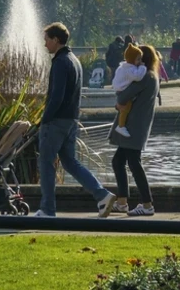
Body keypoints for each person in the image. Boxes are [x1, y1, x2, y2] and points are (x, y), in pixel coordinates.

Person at [35, 22, 115, 218]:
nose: (45, 44)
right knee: (70, 162)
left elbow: (56, 96)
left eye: (46, 40)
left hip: (56, 121)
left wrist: (44, 119)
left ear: (55, 39)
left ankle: (47, 209)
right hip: (71, 119)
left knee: (45, 162)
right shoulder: (75, 60)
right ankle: (102, 195)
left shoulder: (60, 62)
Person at [108, 44, 161, 217]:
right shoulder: (153, 76)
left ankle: (147, 204)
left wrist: (118, 102)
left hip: (133, 127)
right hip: (136, 127)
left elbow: (123, 96)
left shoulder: (145, 76)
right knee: (118, 161)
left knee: (134, 163)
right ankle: (122, 202)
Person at [111, 44, 150, 138]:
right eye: (138, 60)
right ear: (132, 59)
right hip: (123, 91)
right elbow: (137, 77)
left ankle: (121, 125)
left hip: (120, 90)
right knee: (125, 109)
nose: (140, 62)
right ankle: (121, 126)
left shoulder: (123, 67)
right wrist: (142, 67)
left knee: (124, 108)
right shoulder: (130, 69)